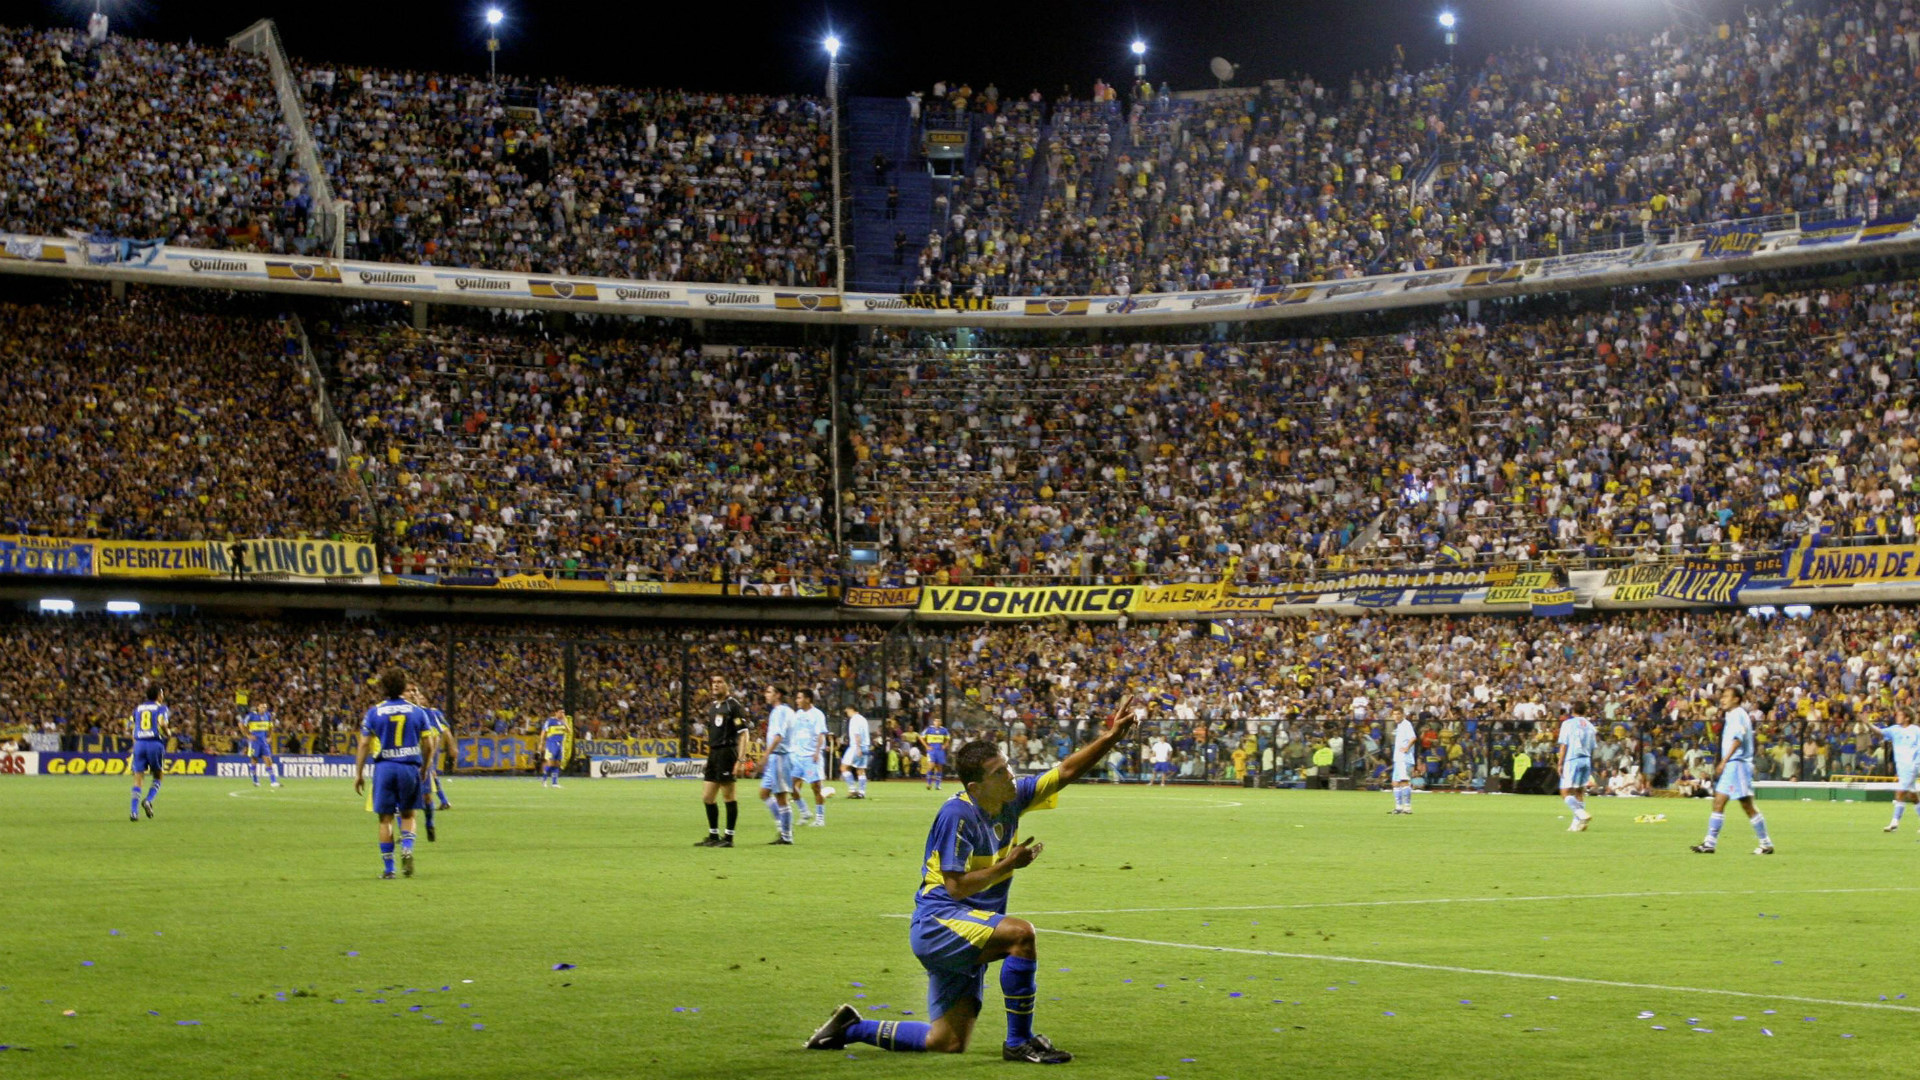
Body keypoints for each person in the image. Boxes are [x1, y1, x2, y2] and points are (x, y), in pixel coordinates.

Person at [805, 696, 1142, 1062]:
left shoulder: (1013, 796)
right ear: (976, 787)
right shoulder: (957, 815)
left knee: (947, 1040)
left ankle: (849, 1028)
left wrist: (1112, 736)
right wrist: (1008, 865)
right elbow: (956, 886)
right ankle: (1018, 1042)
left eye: (1007, 767)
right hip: (939, 923)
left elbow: (1066, 771)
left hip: (967, 927)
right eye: (998, 773)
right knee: (1021, 935)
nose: (1010, 776)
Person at [354, 669, 438, 879]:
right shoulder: (417, 711)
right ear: (403, 688)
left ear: (383, 687)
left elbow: (364, 743)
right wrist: (425, 766)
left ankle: (389, 869)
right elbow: (428, 743)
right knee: (408, 814)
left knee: (385, 820)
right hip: (409, 767)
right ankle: (407, 847)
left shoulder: (374, 712)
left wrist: (359, 774)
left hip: (384, 768)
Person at [1692, 686, 1774, 855]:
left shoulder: (1738, 714)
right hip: (1732, 765)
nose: (1722, 699)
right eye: (1722, 696)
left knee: (1747, 806)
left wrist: (1724, 761)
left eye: (1726, 696)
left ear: (1736, 699)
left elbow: (1738, 739)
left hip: (1737, 764)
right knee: (1718, 802)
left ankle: (1766, 843)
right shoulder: (1732, 715)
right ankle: (1709, 843)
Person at [696, 675, 752, 847]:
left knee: (728, 795)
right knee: (707, 797)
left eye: (720, 682)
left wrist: (741, 759)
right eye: (713, 682)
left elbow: (743, 733)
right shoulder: (713, 707)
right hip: (714, 754)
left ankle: (728, 838)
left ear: (728, 685)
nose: (715, 685)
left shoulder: (733, 706)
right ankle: (713, 835)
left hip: (727, 752)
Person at [759, 685, 798, 844]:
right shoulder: (780, 711)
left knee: (781, 797)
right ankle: (783, 826)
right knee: (764, 793)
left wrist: (765, 755)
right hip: (776, 758)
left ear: (778, 694)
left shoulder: (781, 711)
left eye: (769, 692)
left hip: (780, 757)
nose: (765, 694)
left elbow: (778, 736)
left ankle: (787, 836)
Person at [1872, 709, 1920, 832]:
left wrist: (1917, 763)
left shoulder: (1915, 730)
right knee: (1912, 796)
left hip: (1911, 766)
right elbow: (1880, 732)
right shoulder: (1894, 729)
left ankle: (1894, 823)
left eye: (1900, 714)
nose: (1897, 717)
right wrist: (1867, 723)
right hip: (1901, 766)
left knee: (1900, 792)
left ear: (1907, 718)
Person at [128, 686, 170, 822]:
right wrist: (167, 732)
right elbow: (162, 722)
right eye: (162, 693)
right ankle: (148, 800)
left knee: (138, 778)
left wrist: (136, 741)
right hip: (154, 743)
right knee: (158, 775)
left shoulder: (138, 709)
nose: (163, 696)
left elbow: (130, 726)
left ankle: (134, 812)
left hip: (139, 744)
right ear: (158, 695)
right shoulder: (161, 708)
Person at [790, 689, 830, 826]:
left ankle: (820, 818)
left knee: (816, 787)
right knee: (790, 785)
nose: (797, 700)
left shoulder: (817, 715)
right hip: (797, 757)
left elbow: (820, 735)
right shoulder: (798, 714)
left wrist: (817, 752)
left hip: (810, 757)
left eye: (799, 698)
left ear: (807, 699)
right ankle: (804, 811)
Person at [1557, 703, 1596, 832]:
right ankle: (1577, 824)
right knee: (1579, 791)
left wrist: (1560, 763)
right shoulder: (1591, 726)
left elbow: (1564, 745)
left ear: (1573, 710)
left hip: (1572, 759)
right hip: (1586, 759)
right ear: (1585, 711)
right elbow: (1592, 747)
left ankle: (1580, 812)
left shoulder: (1568, 724)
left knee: (1564, 791)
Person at [240, 701, 282, 788]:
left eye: (265, 707)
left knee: (268, 759)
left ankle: (273, 781)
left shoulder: (268, 716)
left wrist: (269, 736)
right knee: (254, 760)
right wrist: (248, 735)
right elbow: (241, 724)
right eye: (262, 707)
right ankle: (255, 780)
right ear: (258, 707)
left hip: (263, 741)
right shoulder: (251, 715)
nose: (264, 708)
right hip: (255, 741)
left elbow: (271, 727)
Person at [841, 705, 871, 799]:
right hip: (865, 746)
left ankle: (852, 790)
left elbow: (857, 734)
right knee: (860, 770)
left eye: (847, 711)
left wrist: (858, 748)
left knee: (844, 767)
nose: (847, 714)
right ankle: (862, 792)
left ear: (851, 709)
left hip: (856, 747)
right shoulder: (863, 719)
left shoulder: (854, 719)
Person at [1390, 710, 1416, 814]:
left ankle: (1407, 807)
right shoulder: (1400, 726)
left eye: (1398, 714)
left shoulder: (1406, 724)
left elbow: (1413, 738)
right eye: (1394, 714)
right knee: (1395, 783)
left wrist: (1406, 748)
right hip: (1398, 759)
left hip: (1405, 758)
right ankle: (1398, 807)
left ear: (1403, 715)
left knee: (1404, 782)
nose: (1396, 716)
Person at [541, 710, 572, 788]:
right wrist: (541, 743)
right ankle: (544, 780)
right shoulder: (550, 721)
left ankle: (554, 783)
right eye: (561, 712)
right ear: (556, 712)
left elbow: (569, 731)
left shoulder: (562, 722)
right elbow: (543, 732)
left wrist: (565, 722)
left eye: (563, 712)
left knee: (557, 764)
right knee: (550, 763)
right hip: (551, 744)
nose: (562, 714)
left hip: (559, 744)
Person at [923, 720, 951, 790]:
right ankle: (928, 783)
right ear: (933, 722)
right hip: (931, 750)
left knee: (939, 767)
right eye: (936, 721)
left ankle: (937, 785)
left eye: (939, 721)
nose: (937, 722)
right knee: (931, 766)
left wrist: (945, 745)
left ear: (941, 723)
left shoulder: (944, 730)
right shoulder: (929, 729)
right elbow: (921, 737)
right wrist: (926, 746)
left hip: (940, 750)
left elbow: (948, 738)